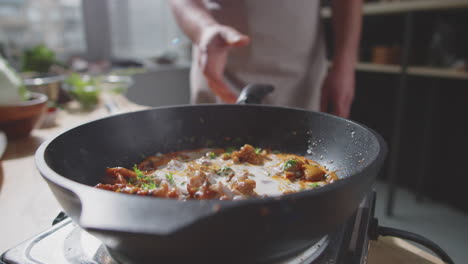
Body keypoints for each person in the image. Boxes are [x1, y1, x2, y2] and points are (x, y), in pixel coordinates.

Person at [170, 0, 362, 118]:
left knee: (303, 161)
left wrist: (345, 64)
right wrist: (204, 29)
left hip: (301, 71)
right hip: (218, 64)